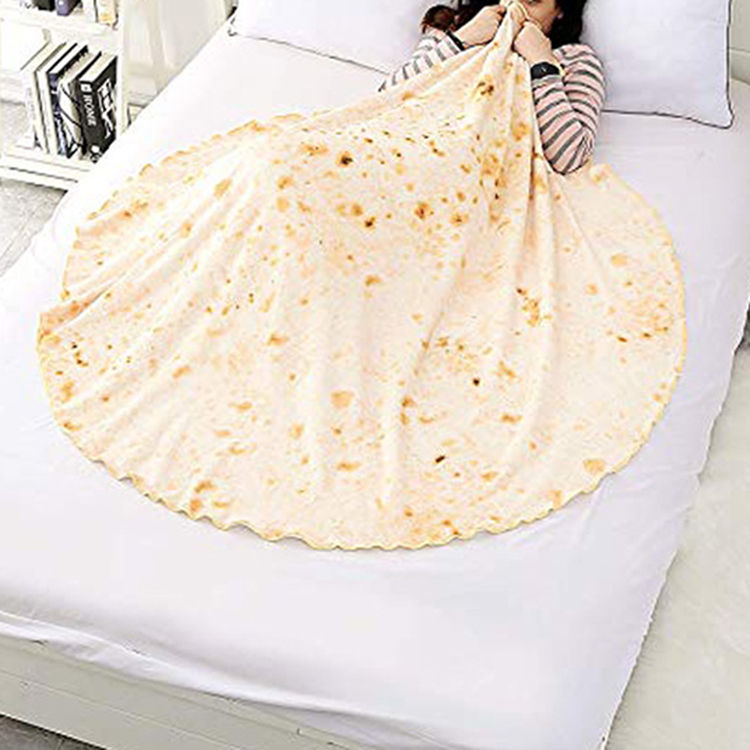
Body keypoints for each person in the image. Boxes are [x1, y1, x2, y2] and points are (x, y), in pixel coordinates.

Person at [377, 0, 605, 175]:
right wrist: (461, 40)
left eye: (532, 1)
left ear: (561, 10)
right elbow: (386, 100)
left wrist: (541, 63)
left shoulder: (574, 59)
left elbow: (570, 158)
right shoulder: (455, 28)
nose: (515, 7)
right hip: (412, 152)